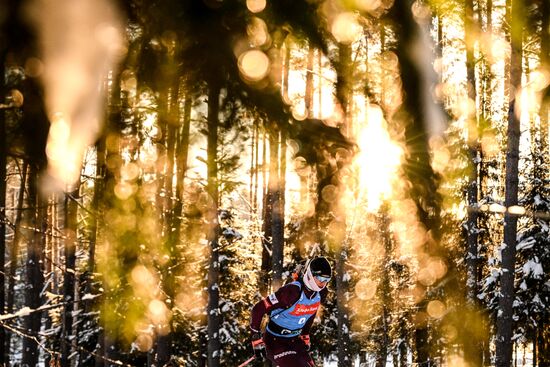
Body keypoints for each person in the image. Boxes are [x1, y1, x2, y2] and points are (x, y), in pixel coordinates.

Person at [249, 256, 332, 367]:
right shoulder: (291, 291)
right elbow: (258, 309)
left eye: (326, 280)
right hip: (275, 341)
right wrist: (256, 338)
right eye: (320, 278)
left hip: (294, 340)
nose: (323, 283)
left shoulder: (320, 294)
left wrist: (305, 335)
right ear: (310, 274)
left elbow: (310, 312)